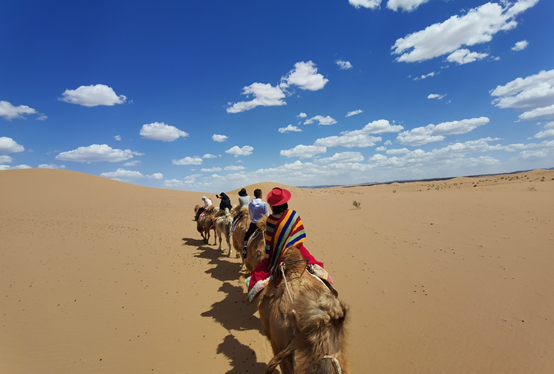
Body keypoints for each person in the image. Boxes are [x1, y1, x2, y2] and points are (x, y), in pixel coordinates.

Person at [245, 187, 332, 302]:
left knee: (257, 263)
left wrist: (270, 256)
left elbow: (270, 244)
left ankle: (245, 248)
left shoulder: (270, 220)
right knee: (314, 264)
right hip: (295, 248)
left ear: (272, 205)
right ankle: (326, 282)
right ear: (285, 202)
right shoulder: (293, 215)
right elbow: (300, 235)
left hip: (277, 254)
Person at [243, 188, 269, 258]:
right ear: (261, 195)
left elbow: (251, 215)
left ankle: (245, 248)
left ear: (254, 195)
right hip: (263, 225)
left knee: (247, 236)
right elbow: (267, 215)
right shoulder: (264, 204)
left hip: (254, 224)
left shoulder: (250, 204)